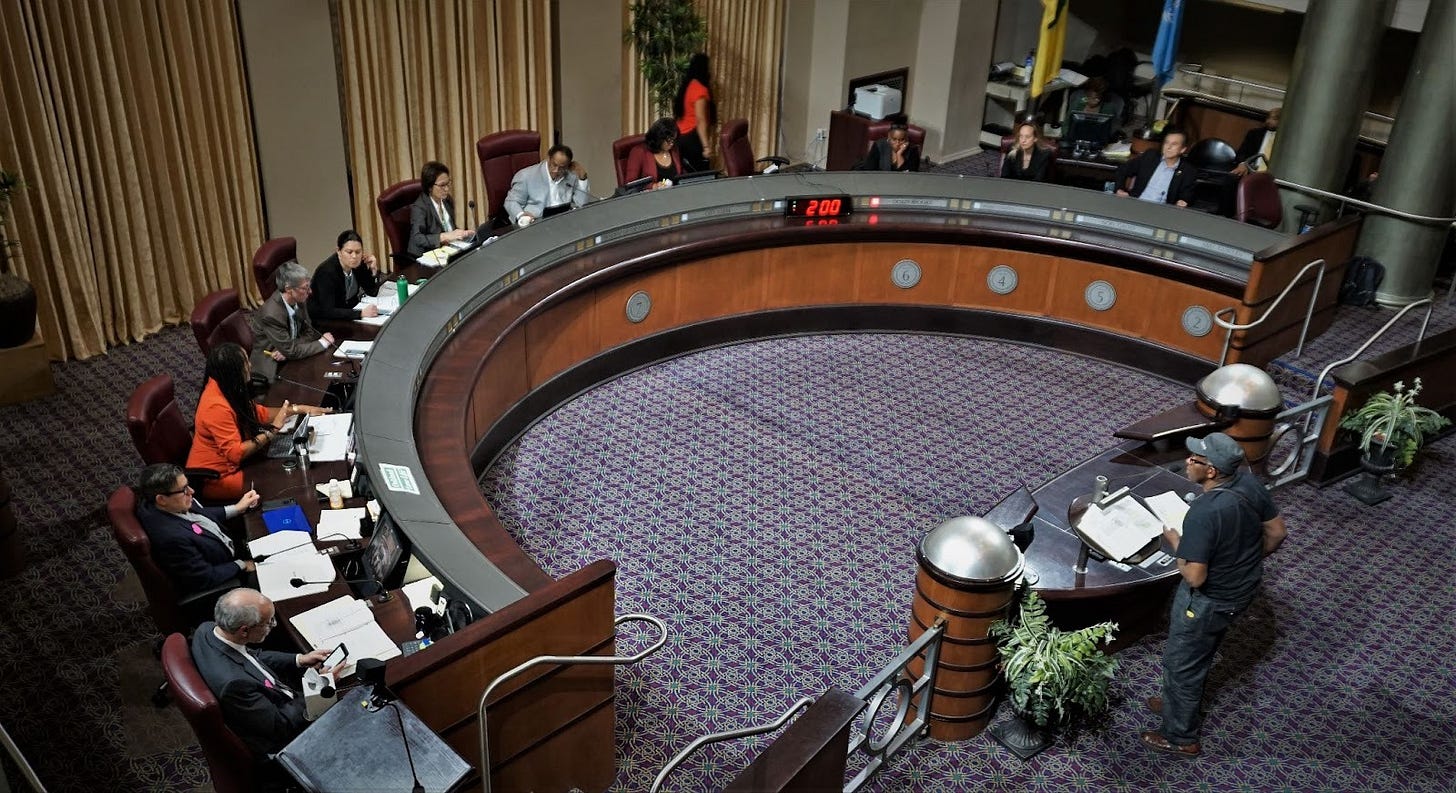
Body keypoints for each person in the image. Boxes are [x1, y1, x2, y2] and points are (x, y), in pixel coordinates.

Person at [1141, 432, 1287, 758]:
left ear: (1210, 472)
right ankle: (1176, 705)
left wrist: (1177, 542)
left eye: (1194, 459)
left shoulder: (1204, 512)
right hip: (1241, 591)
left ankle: (1180, 736)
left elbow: (1194, 576)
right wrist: (1242, 563)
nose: (1187, 462)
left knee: (1181, 666)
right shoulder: (1250, 484)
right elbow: (1277, 532)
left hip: (1207, 602)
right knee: (1202, 654)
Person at [191, 588, 334, 759]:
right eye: (269, 622)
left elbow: (251, 657)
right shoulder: (235, 685)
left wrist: (300, 659)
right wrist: (322, 687)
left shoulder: (207, 630)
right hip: (286, 736)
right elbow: (281, 726)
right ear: (244, 631)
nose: (274, 625)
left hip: (273, 699)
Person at [188, 342, 330, 501]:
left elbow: (259, 413)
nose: (250, 365)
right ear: (232, 371)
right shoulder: (215, 407)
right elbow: (236, 454)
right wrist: (273, 430)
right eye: (245, 363)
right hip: (219, 477)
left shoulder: (227, 385)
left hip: (241, 464)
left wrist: (300, 409)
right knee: (281, 484)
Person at [135, 463, 259, 599]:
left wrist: (236, 508)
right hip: (228, 572)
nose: (191, 491)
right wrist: (241, 564)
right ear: (161, 499)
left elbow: (200, 515)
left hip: (231, 550)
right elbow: (204, 577)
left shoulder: (170, 504)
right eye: (184, 490)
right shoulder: (172, 538)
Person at [250, 261, 335, 372]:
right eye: (305, 288)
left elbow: (309, 332)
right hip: (272, 362)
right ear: (289, 289)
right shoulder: (271, 314)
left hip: (289, 354)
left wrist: (287, 349)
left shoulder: (299, 299)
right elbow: (292, 351)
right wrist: (323, 343)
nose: (310, 291)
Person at [504, 144, 592, 227]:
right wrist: (521, 215)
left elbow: (581, 205)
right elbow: (511, 202)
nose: (556, 170)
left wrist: (582, 177)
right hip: (536, 224)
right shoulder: (526, 176)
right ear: (549, 159)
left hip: (564, 224)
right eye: (554, 165)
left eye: (562, 167)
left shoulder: (570, 175)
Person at [308, 229, 381, 321]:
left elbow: (372, 292)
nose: (354, 256)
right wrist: (361, 313)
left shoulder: (358, 263)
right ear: (339, 251)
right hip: (325, 321)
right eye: (349, 252)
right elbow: (328, 311)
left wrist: (373, 270)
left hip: (348, 313)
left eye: (358, 252)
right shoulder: (326, 272)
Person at [1114, 127, 1196, 207]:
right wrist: (1119, 189)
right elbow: (1122, 170)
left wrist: (1183, 201)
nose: (1168, 147)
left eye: (1174, 144)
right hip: (1136, 204)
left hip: (1163, 213)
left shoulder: (1188, 171)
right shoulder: (1150, 157)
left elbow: (1187, 196)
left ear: (1182, 149)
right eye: (1166, 143)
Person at [407, 161, 474, 257]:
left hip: (447, 250)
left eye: (448, 183)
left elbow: (449, 227)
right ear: (430, 187)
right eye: (442, 185)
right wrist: (443, 236)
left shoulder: (447, 201)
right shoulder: (419, 208)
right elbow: (418, 238)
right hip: (425, 256)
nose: (447, 189)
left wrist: (463, 233)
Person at [673, 53, 715, 172]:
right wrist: (706, 147)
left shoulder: (689, 86)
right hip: (692, 138)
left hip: (680, 136)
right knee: (701, 177)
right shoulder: (700, 90)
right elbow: (700, 120)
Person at [624, 117, 684, 188]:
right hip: (650, 196)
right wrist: (653, 186)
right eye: (668, 140)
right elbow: (630, 184)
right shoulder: (639, 152)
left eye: (673, 140)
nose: (671, 144)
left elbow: (681, 175)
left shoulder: (674, 150)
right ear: (659, 138)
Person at [854, 120, 921, 172]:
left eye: (902, 140)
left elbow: (910, 176)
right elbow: (869, 169)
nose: (897, 143)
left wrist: (899, 154)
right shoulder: (879, 145)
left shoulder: (913, 150)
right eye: (894, 139)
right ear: (889, 137)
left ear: (906, 139)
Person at [1232, 106, 1280, 176]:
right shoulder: (1254, 133)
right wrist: (1243, 164)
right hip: (1250, 169)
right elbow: (1242, 153)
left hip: (1272, 174)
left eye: (1274, 119)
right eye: (1268, 118)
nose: (1268, 121)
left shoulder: (1286, 140)